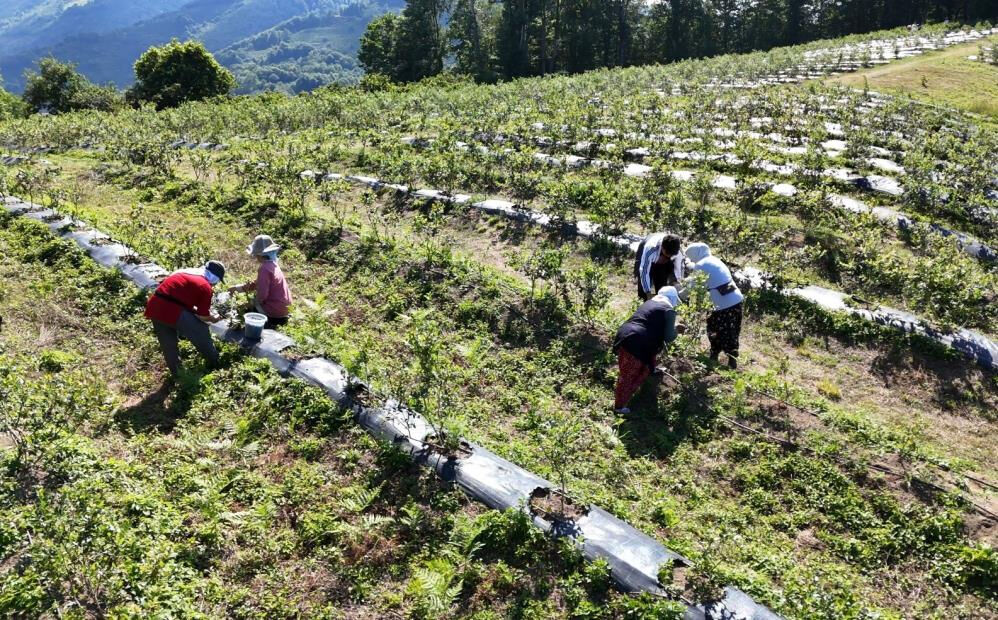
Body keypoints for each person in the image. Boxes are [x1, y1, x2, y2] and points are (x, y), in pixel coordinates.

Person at [145, 260, 226, 376]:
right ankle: (216, 363)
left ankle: (177, 374)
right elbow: (203, 316)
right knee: (201, 330)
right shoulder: (205, 286)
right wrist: (214, 318)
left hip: (155, 306)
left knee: (168, 344)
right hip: (173, 310)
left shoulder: (183, 273)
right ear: (215, 278)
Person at [612, 286, 680, 414]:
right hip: (637, 341)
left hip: (626, 333)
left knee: (633, 368)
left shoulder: (650, 302)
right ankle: (619, 407)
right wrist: (677, 330)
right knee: (628, 375)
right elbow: (669, 337)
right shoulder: (669, 311)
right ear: (672, 299)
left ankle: (652, 369)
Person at [683, 243, 744, 369]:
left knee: (714, 329)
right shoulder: (714, 261)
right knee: (731, 331)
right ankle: (731, 359)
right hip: (736, 300)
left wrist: (678, 295)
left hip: (722, 305)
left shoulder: (702, 265)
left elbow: (692, 285)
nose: (692, 260)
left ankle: (714, 356)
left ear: (696, 254)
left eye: (692, 257)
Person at [228, 234, 292, 329]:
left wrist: (247, 305)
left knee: (241, 313)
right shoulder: (273, 264)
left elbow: (262, 296)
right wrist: (236, 288)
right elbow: (256, 284)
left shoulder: (264, 269)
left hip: (273, 312)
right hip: (284, 310)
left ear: (260, 254)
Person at [634, 233, 684, 300]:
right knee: (644, 290)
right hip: (646, 248)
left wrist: (678, 282)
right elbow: (644, 271)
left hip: (663, 251)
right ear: (662, 248)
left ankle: (658, 297)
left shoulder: (677, 251)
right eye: (667, 254)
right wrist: (648, 292)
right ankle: (644, 300)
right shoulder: (650, 249)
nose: (669, 257)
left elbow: (678, 268)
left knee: (661, 280)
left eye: (671, 255)